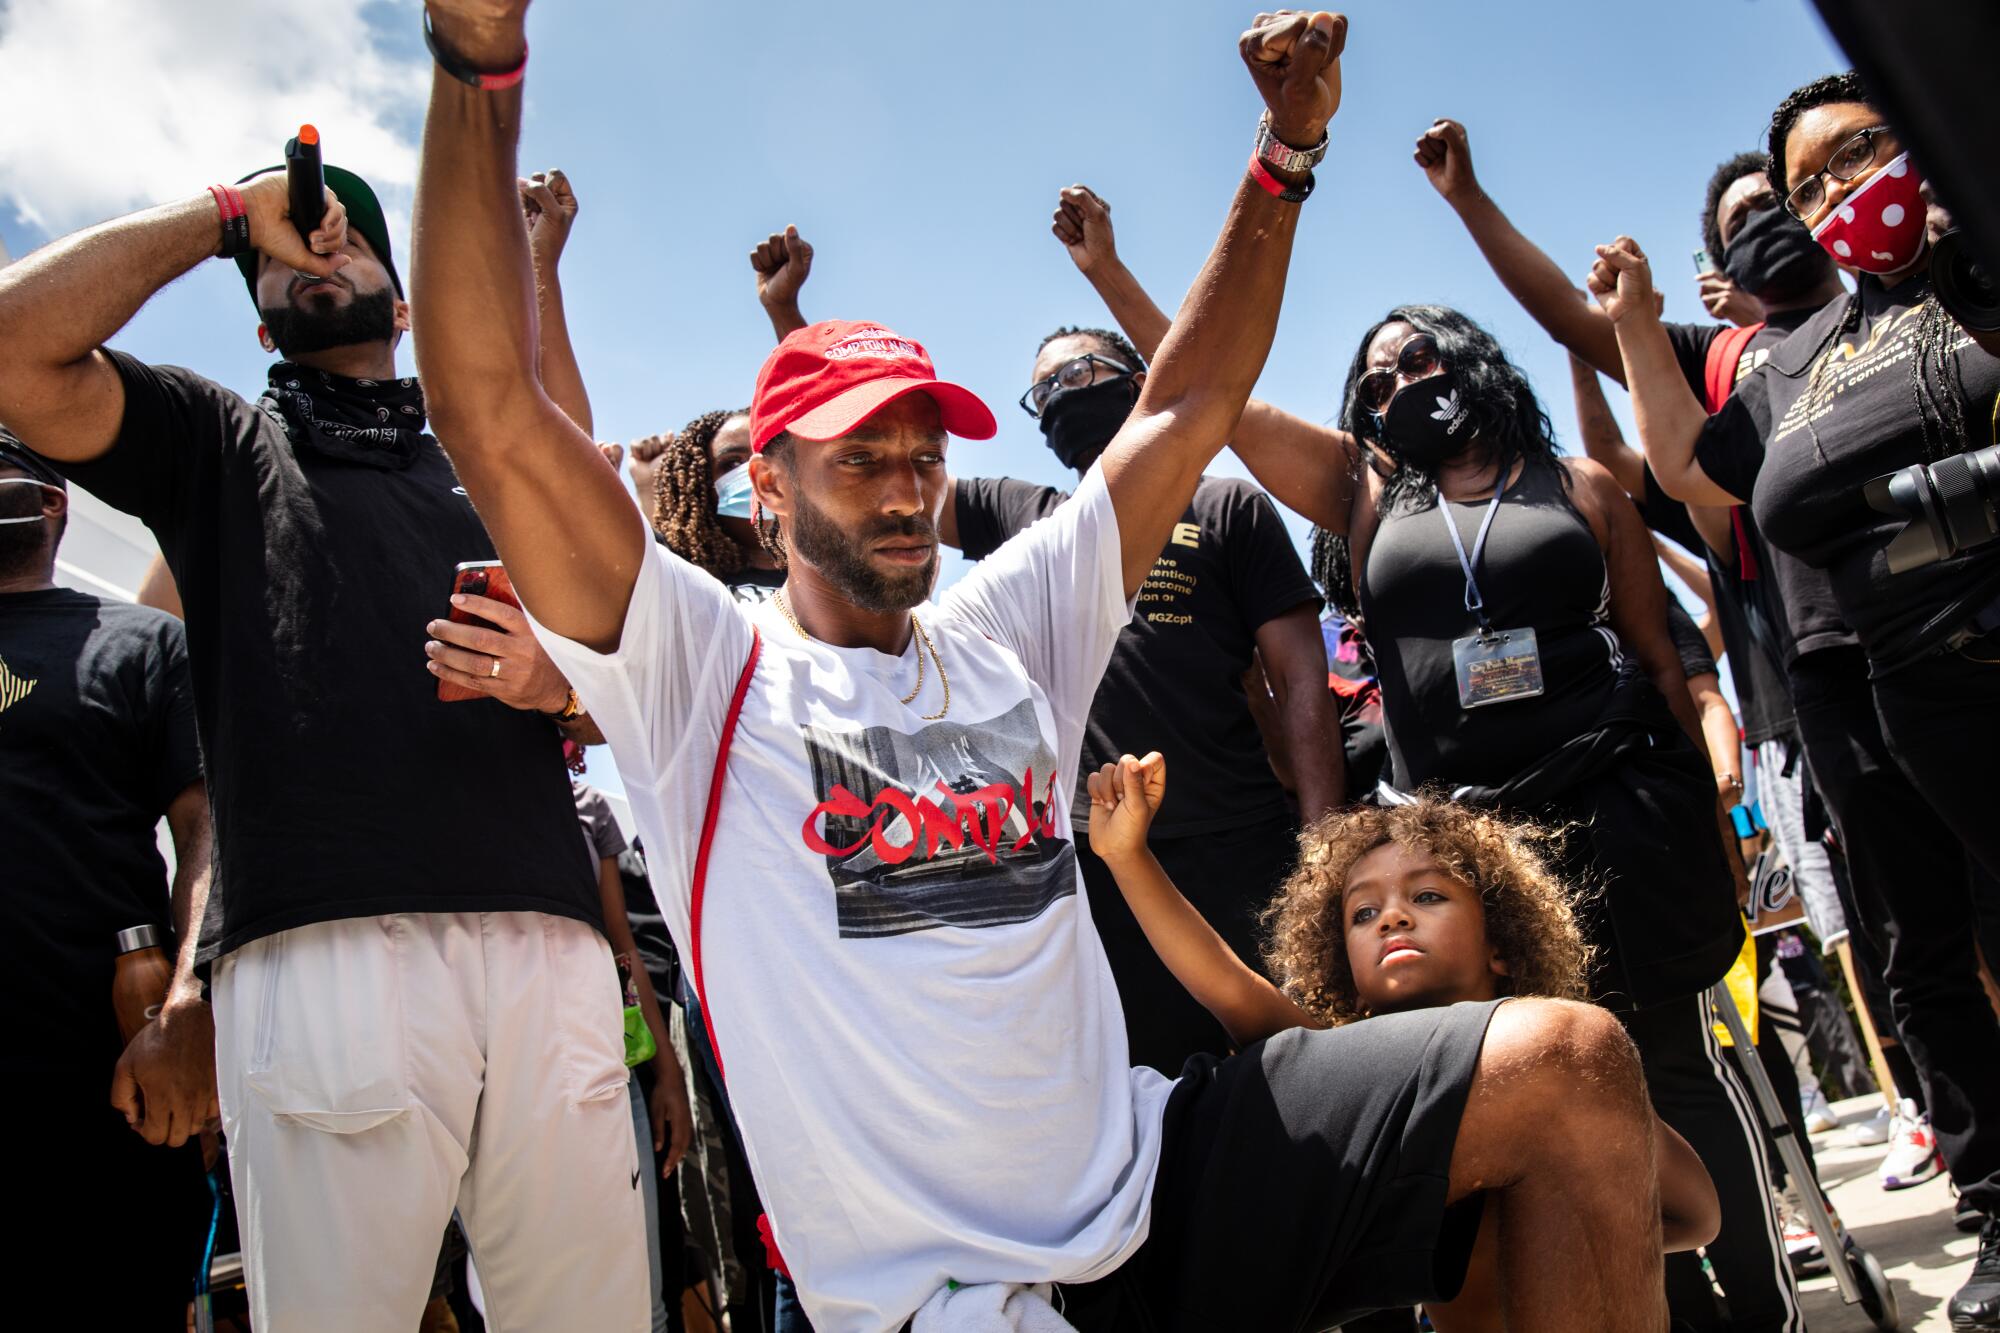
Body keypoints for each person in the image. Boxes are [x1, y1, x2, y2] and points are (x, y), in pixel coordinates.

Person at [413, 7, 1674, 1330]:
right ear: (770, 492)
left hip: (1154, 1177)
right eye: (861, 460)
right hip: (952, 1293)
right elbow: (488, 405)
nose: (906, 491)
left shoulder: (1007, 637)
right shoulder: (699, 677)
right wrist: (477, 66)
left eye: (923, 458)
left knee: (1569, 1066)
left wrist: (1287, 152)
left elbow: (1181, 411)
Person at [1063, 199, 1787, 1324]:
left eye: (1418, 356)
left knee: (1670, 1072)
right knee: (1521, 1087)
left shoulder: (1578, 487)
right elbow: (1212, 391)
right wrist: (1110, 272)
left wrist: (1718, 808)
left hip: (1619, 812)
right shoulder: (1362, 491)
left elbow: (1659, 656)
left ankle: (1756, 1308)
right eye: (1373, 378)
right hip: (1474, 843)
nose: (1398, 381)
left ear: (1474, 358)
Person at [0, 156, 647, 1326]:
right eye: (288, 255)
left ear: (404, 307)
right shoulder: (213, 441)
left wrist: (558, 683)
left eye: (352, 240)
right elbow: (13, 351)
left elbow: (620, 689)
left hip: (548, 950)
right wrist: (221, 219)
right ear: (259, 322)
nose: (320, 249)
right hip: (322, 954)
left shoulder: (498, 459)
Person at [1595, 72, 2000, 1325]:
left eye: (1850, 158)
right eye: (1803, 185)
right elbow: (1681, 467)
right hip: (1870, 693)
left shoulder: (1972, 269)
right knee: (1920, 953)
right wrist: (1631, 323)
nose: (1829, 198)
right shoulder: (1784, 361)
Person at [753, 221, 1339, 1075]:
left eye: (1081, 371)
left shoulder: (1226, 508)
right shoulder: (1032, 527)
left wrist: (1322, 835)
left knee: (1290, 1064)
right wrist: (793, 323)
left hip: (1238, 834)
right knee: (1151, 1078)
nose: (1064, 391)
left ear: (1136, 380)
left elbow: (1301, 679)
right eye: (1044, 388)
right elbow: (856, 482)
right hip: (1100, 857)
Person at [1084, 752, 1722, 1331]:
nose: (1392, 916)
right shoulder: (1361, 1087)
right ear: (1343, 971)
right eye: (1363, 913)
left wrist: (1559, 1227)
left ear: (1502, 944)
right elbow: (1226, 985)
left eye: (1427, 895)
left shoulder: (1563, 1071)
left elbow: (1698, 1214)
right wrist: (1128, 858)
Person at [0, 431, 214, 1327]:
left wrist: (188, 1003)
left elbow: (207, 830)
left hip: (116, 1083)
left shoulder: (144, 644)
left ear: (51, 504)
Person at [576, 778, 694, 1333]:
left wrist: (667, 1073)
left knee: (645, 1298)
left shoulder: (586, 808)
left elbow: (622, 945)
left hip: (606, 1071)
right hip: (498, 1079)